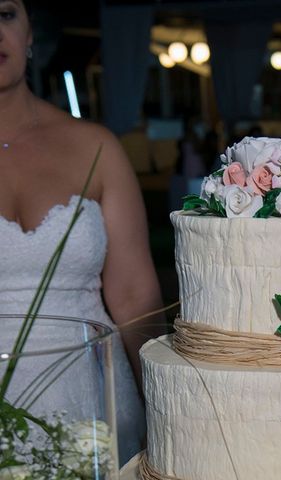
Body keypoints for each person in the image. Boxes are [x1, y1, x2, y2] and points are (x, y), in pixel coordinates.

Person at [0, 0, 165, 463]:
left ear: (31, 32)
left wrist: (170, 412)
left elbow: (135, 297)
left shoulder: (97, 147)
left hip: (97, 403)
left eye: (6, 14)